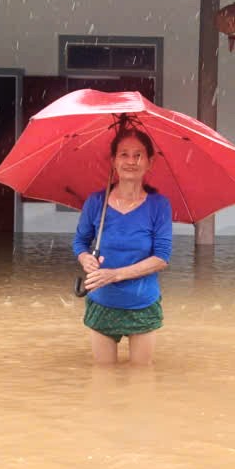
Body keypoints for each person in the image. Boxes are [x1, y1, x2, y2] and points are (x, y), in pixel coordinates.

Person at [74, 127, 173, 365]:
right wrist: (84, 257)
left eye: (138, 155)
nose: (131, 161)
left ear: (150, 162)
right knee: (103, 377)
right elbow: (80, 241)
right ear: (113, 161)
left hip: (142, 303)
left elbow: (161, 258)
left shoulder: (159, 205)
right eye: (124, 154)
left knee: (141, 378)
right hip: (102, 301)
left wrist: (115, 275)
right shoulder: (96, 202)